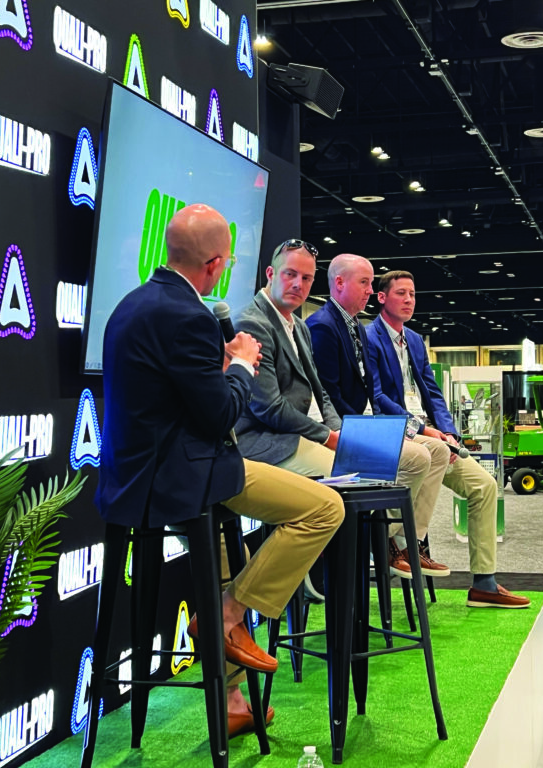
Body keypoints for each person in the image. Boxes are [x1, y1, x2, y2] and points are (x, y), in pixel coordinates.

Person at [96, 204, 345, 737]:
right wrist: (240, 362)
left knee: (228, 550)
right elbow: (222, 412)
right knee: (325, 506)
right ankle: (229, 615)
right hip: (181, 477)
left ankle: (231, 695)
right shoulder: (188, 315)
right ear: (214, 264)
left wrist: (225, 361)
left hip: (130, 481)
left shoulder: (131, 304)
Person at [231, 240, 450, 580]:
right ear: (270, 274)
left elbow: (322, 394)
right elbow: (268, 407)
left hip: (312, 433)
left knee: (417, 458)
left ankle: (382, 545)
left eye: (305, 278)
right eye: (290, 275)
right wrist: (329, 436)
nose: (298, 285)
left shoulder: (298, 325)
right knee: (362, 476)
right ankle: (341, 566)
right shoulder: (255, 322)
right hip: (269, 441)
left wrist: (339, 432)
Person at [365, 270, 531, 609]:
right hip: (397, 435)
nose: (409, 300)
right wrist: (425, 431)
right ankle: (403, 545)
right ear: (381, 298)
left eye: (412, 293)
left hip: (433, 437)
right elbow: (378, 396)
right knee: (435, 453)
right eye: (401, 293)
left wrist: (449, 432)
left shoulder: (413, 339)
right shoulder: (368, 338)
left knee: (484, 486)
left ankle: (484, 582)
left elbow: (432, 391)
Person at [306, 253, 453, 579]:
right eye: (365, 283)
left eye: (372, 283)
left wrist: (431, 429)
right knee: (416, 457)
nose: (370, 290)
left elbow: (378, 391)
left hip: (370, 423)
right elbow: (327, 394)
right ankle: (381, 538)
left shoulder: (355, 325)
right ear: (339, 283)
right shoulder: (322, 327)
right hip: (346, 428)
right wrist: (368, 430)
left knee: (439, 451)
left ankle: (404, 542)